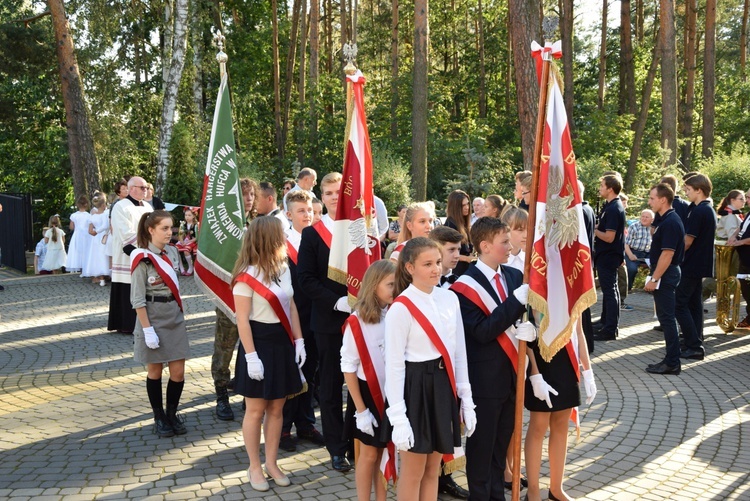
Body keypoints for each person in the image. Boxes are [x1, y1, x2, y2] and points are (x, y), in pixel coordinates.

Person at [383, 237, 476, 501]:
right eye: (427, 264)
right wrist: (398, 417)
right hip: (415, 388)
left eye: (437, 262)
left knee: (433, 469)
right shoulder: (400, 308)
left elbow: (459, 353)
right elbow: (394, 366)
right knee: (413, 471)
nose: (436, 269)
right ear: (410, 267)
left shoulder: (450, 299)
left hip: (442, 384)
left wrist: (466, 399)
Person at [451, 217, 535, 501]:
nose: (510, 247)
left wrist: (531, 329)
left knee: (501, 448)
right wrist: (515, 303)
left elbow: (524, 317)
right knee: (482, 449)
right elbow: (483, 331)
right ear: (485, 246)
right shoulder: (464, 287)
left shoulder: (513, 277)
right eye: (504, 243)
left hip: (512, 376)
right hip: (484, 382)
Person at [231, 216, 305, 492]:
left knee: (277, 408)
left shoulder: (283, 268)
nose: (285, 237)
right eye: (281, 233)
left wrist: (299, 341)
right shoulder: (245, 276)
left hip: (282, 342)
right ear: (268, 239)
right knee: (255, 409)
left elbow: (292, 307)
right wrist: (251, 357)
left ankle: (272, 463)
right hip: (258, 343)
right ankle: (254, 465)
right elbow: (242, 321)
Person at [298, 172, 354, 472]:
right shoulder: (312, 234)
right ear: (323, 197)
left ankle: (358, 441)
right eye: (329, 193)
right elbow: (305, 280)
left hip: (361, 320)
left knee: (362, 383)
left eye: (339, 192)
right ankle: (337, 447)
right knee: (332, 387)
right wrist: (335, 301)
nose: (335, 197)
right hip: (328, 321)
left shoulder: (361, 232)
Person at [341, 260, 397, 501]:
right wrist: (361, 411)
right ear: (374, 286)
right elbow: (348, 367)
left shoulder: (396, 314)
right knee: (369, 455)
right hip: (367, 395)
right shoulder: (357, 320)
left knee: (385, 452)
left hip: (392, 395)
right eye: (391, 285)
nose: (396, 289)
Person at [130, 210, 190, 438]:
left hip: (173, 316)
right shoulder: (141, 259)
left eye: (171, 228)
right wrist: (147, 330)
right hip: (152, 317)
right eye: (164, 228)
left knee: (178, 372)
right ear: (151, 230)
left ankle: (172, 413)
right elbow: (136, 299)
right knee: (155, 370)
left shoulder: (172, 252)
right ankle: (159, 417)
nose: (170, 232)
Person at [524, 319, 595, 501]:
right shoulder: (534, 288)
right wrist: (534, 373)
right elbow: (527, 330)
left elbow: (579, 331)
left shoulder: (572, 289)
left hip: (566, 359)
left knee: (561, 425)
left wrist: (588, 371)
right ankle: (533, 492)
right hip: (541, 359)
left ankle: (556, 488)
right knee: (538, 426)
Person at [280, 190, 325, 451]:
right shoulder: (281, 244)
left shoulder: (319, 239)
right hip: (291, 319)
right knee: (291, 374)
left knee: (311, 373)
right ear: (288, 214)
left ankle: (306, 424)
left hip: (314, 317)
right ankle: (284, 428)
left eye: (310, 210)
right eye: (301, 211)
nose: (307, 215)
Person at [212, 178, 259, 420]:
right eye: (244, 195)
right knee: (225, 345)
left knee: (249, 344)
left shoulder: (257, 224)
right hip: (229, 295)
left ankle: (245, 391)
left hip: (255, 295)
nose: (249, 199)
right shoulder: (225, 228)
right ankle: (221, 394)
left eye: (251, 194)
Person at [429, 225, 471, 500]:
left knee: (448, 425)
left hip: (452, 367)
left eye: (458, 250)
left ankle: (445, 478)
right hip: (427, 370)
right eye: (451, 250)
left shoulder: (457, 280)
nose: (457, 255)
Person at [644, 183, 685, 375]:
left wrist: (654, 278)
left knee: (667, 319)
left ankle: (672, 362)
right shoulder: (665, 219)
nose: (649, 201)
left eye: (652, 198)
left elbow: (667, 255)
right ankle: (670, 359)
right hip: (665, 273)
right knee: (665, 317)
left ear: (663, 199)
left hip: (666, 274)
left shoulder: (670, 222)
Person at [676, 174, 717, 361]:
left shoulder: (701, 211)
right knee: (694, 304)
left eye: (688, 189)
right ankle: (694, 341)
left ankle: (693, 344)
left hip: (691, 264)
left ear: (699, 190)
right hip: (698, 264)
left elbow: (687, 241)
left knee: (679, 304)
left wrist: (672, 254)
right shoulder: (705, 208)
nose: (686, 192)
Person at [108, 177, 154, 334]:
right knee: (127, 287)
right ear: (131, 188)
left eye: (146, 187)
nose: (145, 190)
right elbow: (124, 232)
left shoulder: (148, 206)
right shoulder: (120, 206)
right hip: (128, 254)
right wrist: (145, 244)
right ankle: (125, 324)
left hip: (147, 251)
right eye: (142, 187)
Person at [593, 174, 626, 341]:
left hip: (609, 255)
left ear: (610, 189)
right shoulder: (610, 206)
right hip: (605, 255)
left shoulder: (614, 208)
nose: (600, 188)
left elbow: (609, 237)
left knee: (610, 291)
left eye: (602, 185)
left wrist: (593, 230)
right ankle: (605, 321)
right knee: (610, 290)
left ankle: (610, 329)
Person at [727, 189, 750, 329]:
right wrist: (733, 237)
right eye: (746, 197)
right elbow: (740, 228)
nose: (746, 200)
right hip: (744, 259)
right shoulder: (748, 214)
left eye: (748, 197)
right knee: (746, 290)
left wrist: (739, 242)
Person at [579, 181, 597, 354]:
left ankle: (586, 344)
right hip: (585, 261)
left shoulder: (580, 211)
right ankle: (587, 343)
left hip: (579, 263)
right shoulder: (588, 209)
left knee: (581, 307)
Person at [444, 190, 474, 276]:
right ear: (455, 207)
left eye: (468, 204)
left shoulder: (464, 223)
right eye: (463, 205)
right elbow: (448, 252)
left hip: (466, 270)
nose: (467, 207)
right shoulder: (450, 225)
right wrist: (467, 258)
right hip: (456, 272)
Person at [84, 193, 112, 286]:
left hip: (95, 238)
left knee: (97, 256)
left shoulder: (93, 216)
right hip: (103, 236)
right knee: (104, 255)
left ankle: (101, 279)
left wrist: (93, 232)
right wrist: (98, 231)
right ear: (104, 204)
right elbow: (105, 225)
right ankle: (107, 275)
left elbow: (90, 229)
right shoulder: (105, 214)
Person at [624, 209, 654, 291]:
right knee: (631, 269)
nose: (644, 219)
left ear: (652, 219)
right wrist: (630, 255)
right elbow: (626, 244)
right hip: (633, 252)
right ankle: (627, 289)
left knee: (656, 267)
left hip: (649, 253)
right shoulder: (634, 227)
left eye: (647, 217)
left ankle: (649, 289)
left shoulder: (654, 228)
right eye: (642, 216)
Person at [66, 195, 91, 274]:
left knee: (77, 251)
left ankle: (79, 268)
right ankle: (85, 268)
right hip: (87, 234)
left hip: (77, 234)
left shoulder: (74, 215)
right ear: (86, 204)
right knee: (86, 250)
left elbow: (71, 227)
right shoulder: (89, 215)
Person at [501, 206, 528, 273]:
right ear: (506, 230)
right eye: (520, 230)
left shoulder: (532, 259)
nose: (526, 235)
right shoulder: (498, 263)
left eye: (529, 229)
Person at [175, 207, 199, 276]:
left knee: (186, 250)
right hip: (185, 240)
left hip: (192, 241)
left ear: (194, 216)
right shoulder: (183, 224)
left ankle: (190, 267)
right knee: (175, 249)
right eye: (186, 215)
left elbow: (197, 237)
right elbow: (180, 234)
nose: (187, 217)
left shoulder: (196, 225)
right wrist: (182, 241)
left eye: (189, 215)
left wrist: (187, 242)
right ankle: (181, 268)